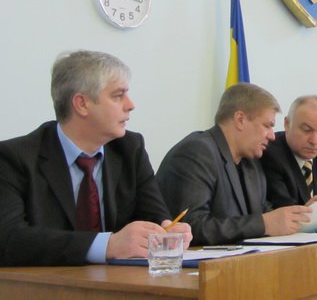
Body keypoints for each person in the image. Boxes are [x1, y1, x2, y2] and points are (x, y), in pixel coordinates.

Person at [0, 50, 192, 267]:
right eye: (118, 96)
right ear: (82, 104)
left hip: (118, 282)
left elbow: (154, 217)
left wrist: (167, 232)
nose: (130, 104)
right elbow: (8, 239)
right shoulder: (13, 158)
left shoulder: (130, 149)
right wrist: (107, 245)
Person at [156, 83, 311, 245]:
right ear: (240, 120)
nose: (272, 136)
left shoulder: (251, 161)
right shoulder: (197, 152)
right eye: (267, 126)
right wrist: (263, 224)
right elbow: (191, 226)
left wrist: (304, 216)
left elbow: (265, 215)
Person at [261, 95, 317, 208]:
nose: (314, 141)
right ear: (287, 124)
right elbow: (282, 208)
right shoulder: (269, 154)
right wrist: (310, 210)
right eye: (307, 130)